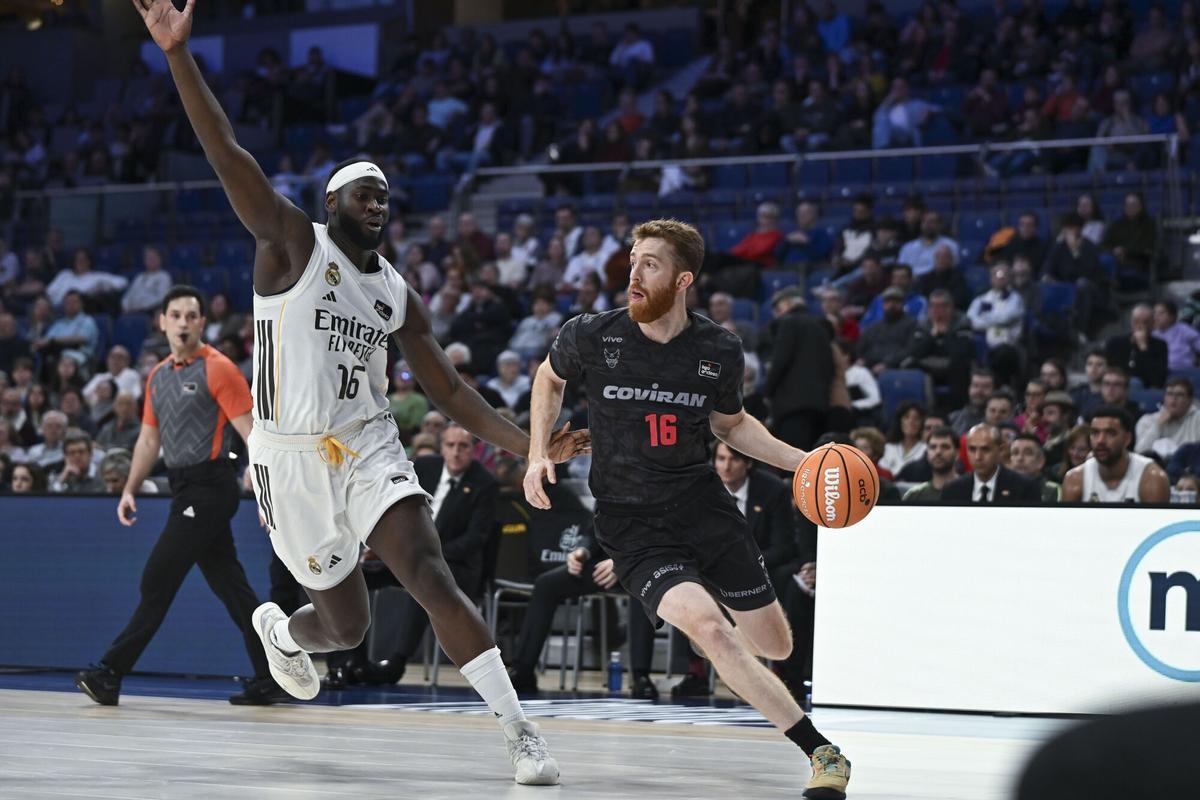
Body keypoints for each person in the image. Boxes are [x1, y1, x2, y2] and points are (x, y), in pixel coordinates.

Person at [135, 0, 590, 783]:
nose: (379, 203)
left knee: (430, 571)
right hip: (290, 458)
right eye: (364, 193)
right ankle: (283, 633)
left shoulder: (396, 294)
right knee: (345, 628)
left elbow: (449, 389)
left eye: (386, 195)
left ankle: (521, 736)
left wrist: (532, 446)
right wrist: (179, 54)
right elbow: (225, 151)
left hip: (369, 443)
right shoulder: (290, 246)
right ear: (331, 205)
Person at [523, 219, 851, 798]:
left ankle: (733, 652)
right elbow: (548, 380)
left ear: (682, 279)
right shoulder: (592, 335)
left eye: (650, 263)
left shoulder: (717, 348)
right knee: (712, 632)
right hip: (632, 527)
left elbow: (731, 425)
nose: (633, 273)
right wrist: (534, 454)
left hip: (705, 510)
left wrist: (803, 460)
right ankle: (823, 752)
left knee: (775, 645)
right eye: (632, 261)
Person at [74, 287, 283, 706]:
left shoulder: (220, 369)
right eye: (176, 315)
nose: (184, 322)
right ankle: (271, 675)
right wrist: (130, 488)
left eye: (192, 315)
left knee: (157, 577)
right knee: (233, 588)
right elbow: (149, 440)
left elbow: (252, 436)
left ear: (202, 323)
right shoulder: (158, 376)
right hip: (183, 488)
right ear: (162, 322)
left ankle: (110, 672)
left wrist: (267, 494)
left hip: (212, 487)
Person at [763, 286, 834, 451]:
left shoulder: (788, 323)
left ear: (787, 304)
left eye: (777, 308)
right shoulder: (821, 327)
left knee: (793, 462)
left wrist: (767, 393)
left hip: (792, 406)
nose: (776, 314)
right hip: (819, 405)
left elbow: (781, 360)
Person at [1062, 406, 1170, 503]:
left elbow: (1156, 525)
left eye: (1110, 433)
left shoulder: (1152, 479)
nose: (1100, 440)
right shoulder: (1075, 479)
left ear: (1127, 439)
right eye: (1095, 433)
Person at [940, 424, 1042, 504]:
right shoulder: (952, 490)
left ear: (1000, 450)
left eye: (985, 449)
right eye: (972, 449)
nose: (978, 457)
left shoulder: (1025, 487)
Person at [1134, 377, 1200, 459]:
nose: (1173, 399)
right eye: (1169, 394)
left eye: (1180, 395)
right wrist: (1158, 425)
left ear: (1189, 400)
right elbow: (1139, 452)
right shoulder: (1147, 420)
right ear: (1164, 398)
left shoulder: (1197, 419)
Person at [1106, 304, 1168, 389]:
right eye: (1136, 321)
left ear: (1153, 324)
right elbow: (1110, 371)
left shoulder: (1160, 346)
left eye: (1145, 322)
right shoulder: (1115, 343)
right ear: (1131, 322)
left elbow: (1157, 380)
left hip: (1145, 389)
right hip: (1117, 387)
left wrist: (1143, 347)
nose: (1140, 326)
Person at [901, 426, 959, 502]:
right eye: (933, 447)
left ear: (957, 453)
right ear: (927, 452)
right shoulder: (914, 496)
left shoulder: (970, 492)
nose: (938, 452)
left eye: (945, 447)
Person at [1008, 434, 1060, 502]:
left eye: (1027, 453)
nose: (1020, 458)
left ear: (1041, 461)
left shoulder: (1053, 490)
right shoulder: (1001, 486)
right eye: (1015, 453)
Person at [879, 401, 926, 476]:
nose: (911, 422)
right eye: (906, 417)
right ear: (900, 421)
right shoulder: (889, 447)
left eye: (916, 418)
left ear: (922, 423)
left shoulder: (926, 449)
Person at [1152, 299, 1200, 371]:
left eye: (1161, 313)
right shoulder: (1152, 335)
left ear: (1172, 316)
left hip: (1184, 373)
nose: (1156, 317)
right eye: (1155, 313)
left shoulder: (1184, 330)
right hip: (1160, 374)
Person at [949, 370, 996, 436]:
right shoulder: (953, 418)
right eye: (975, 386)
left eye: (985, 387)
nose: (979, 391)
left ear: (994, 390)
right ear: (969, 388)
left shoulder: (998, 419)